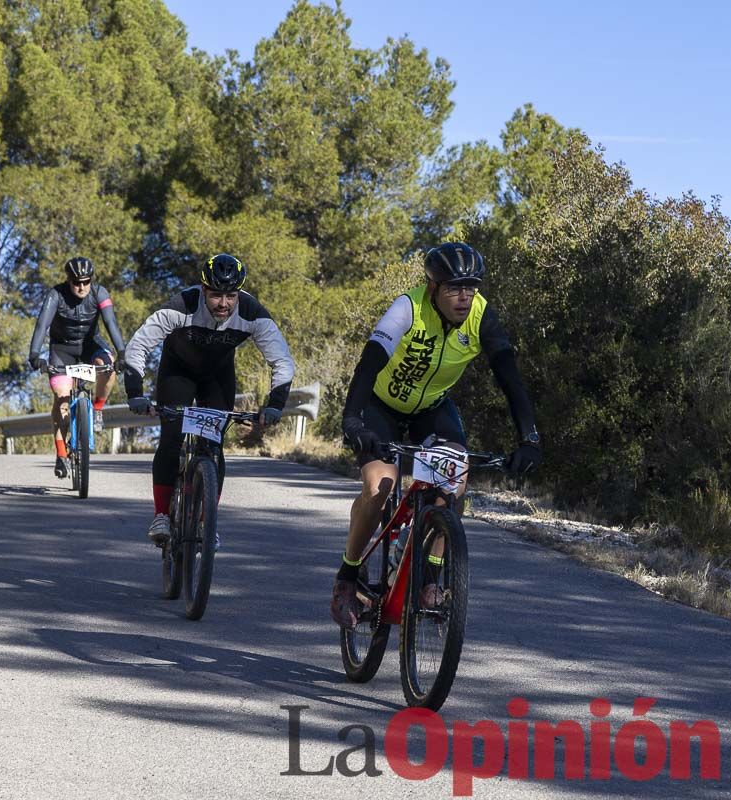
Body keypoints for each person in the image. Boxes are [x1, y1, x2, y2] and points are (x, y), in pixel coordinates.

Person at [330, 242, 542, 628]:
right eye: (454, 288)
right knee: (380, 486)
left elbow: (510, 378)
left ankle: (427, 580)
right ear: (433, 288)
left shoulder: (480, 315)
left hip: (432, 409)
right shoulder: (407, 308)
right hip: (382, 407)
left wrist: (529, 438)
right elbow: (370, 362)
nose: (464, 297)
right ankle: (347, 576)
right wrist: (353, 419)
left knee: (452, 484)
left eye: (471, 287)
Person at [123, 254, 295, 545]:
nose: (223, 304)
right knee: (172, 437)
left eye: (231, 296)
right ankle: (162, 514)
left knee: (214, 447)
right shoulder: (182, 305)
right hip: (177, 372)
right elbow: (138, 345)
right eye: (216, 295)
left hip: (217, 375)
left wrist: (275, 404)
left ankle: (205, 522)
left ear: (239, 294)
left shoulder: (252, 312)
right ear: (203, 290)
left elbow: (282, 361)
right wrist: (135, 393)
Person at [28, 257, 126, 479]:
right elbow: (42, 324)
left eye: (86, 281)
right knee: (62, 398)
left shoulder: (99, 293)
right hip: (62, 351)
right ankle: (61, 455)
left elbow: (111, 323)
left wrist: (122, 352)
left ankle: (97, 408)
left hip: (91, 346)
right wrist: (34, 355)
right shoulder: (56, 295)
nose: (81, 287)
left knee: (108, 367)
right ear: (68, 280)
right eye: (76, 282)